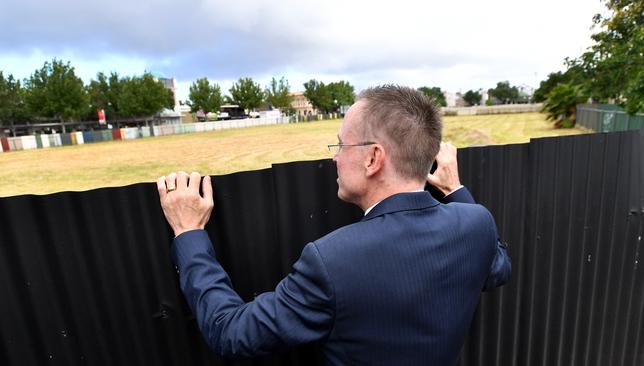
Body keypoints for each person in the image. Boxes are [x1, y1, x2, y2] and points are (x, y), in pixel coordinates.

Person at [157, 85, 511, 365]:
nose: (334, 156)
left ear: (373, 158)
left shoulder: (332, 260)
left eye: (341, 145)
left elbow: (233, 334)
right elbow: (498, 268)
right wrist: (456, 189)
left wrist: (189, 235)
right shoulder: (476, 223)